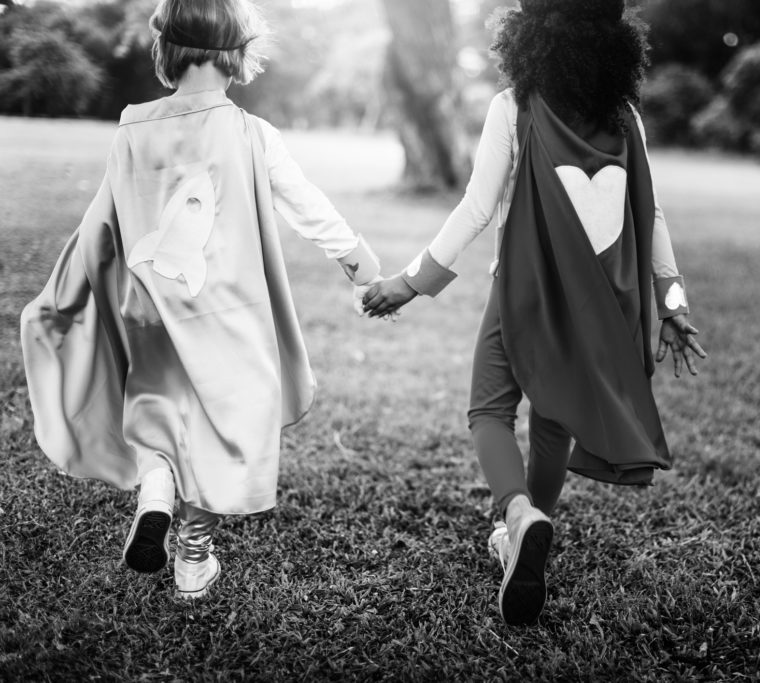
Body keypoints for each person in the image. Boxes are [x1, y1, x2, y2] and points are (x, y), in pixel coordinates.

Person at [20, 0, 382, 600]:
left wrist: (68, 291)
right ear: (239, 54)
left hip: (151, 309)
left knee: (159, 404)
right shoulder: (250, 133)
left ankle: (156, 490)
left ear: (165, 51)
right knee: (226, 422)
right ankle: (192, 557)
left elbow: (100, 223)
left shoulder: (133, 125)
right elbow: (307, 204)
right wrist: (360, 267)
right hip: (228, 315)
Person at [361, 0, 707, 625]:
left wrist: (412, 282)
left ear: (528, 34)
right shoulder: (625, 117)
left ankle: (518, 515)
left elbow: (475, 208)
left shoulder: (513, 106)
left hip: (523, 289)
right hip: (602, 301)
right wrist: (672, 302)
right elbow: (649, 213)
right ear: (614, 39)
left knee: (490, 407)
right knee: (554, 422)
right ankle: (529, 536)